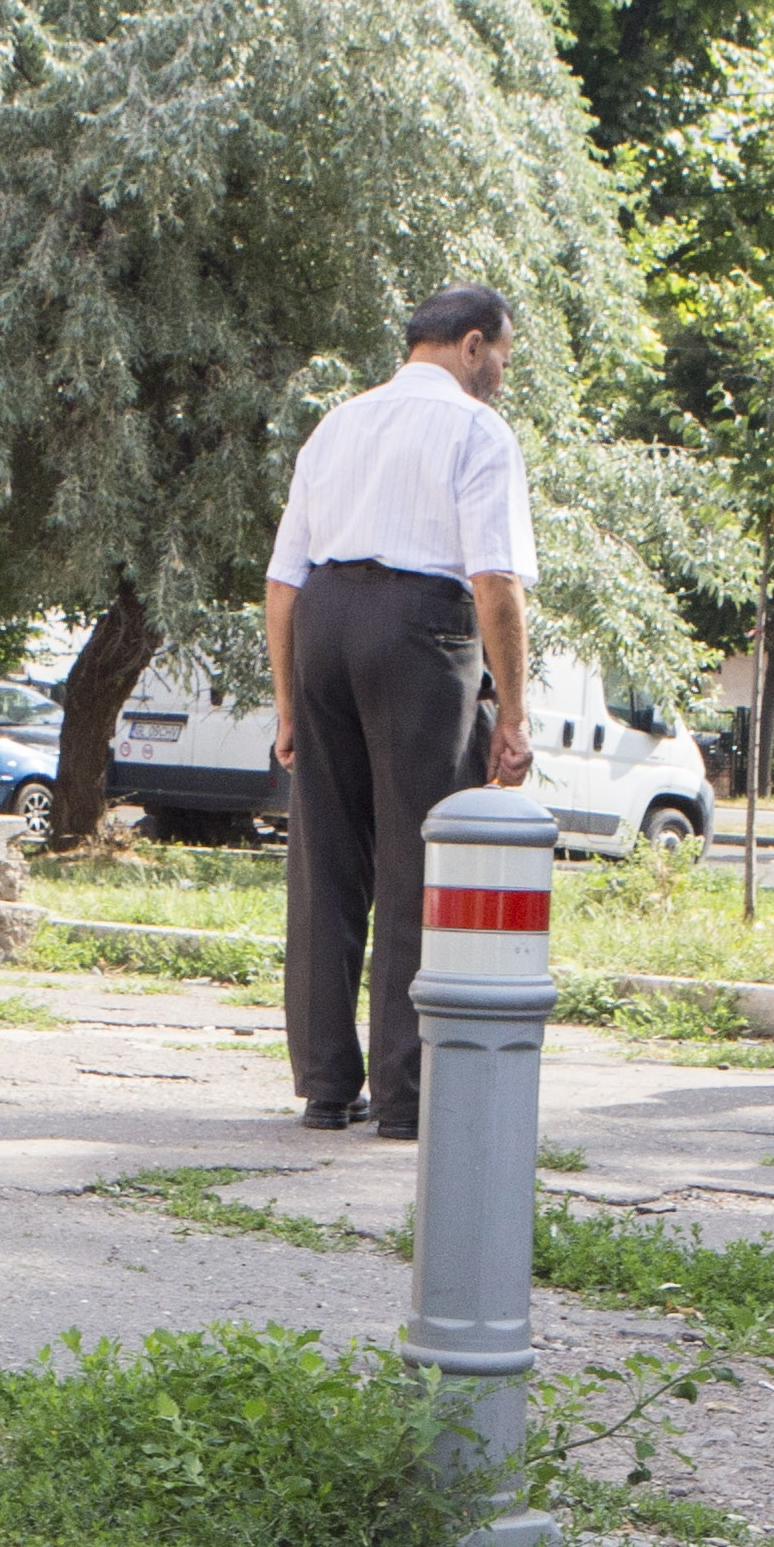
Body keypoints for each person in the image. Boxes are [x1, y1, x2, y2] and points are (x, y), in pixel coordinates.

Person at [265, 284, 538, 1136]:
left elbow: (281, 581)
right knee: (420, 855)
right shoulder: (476, 429)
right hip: (419, 632)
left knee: (326, 855)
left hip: (324, 624)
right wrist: (516, 714)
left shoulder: (338, 423)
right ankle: (406, 1095)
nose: (499, 374)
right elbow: (494, 583)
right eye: (499, 355)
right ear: (468, 345)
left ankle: (324, 1084)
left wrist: (285, 706)